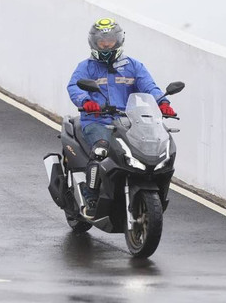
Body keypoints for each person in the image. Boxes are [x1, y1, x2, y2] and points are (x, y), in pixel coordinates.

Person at [67, 18, 176, 217]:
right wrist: (85, 102)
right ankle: (90, 196)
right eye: (102, 41)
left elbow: (149, 87)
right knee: (101, 150)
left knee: (146, 151)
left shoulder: (133, 66)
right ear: (94, 43)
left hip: (127, 122)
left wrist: (163, 103)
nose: (107, 45)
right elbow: (74, 86)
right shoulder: (87, 67)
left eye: (110, 40)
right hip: (97, 120)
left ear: (119, 41)